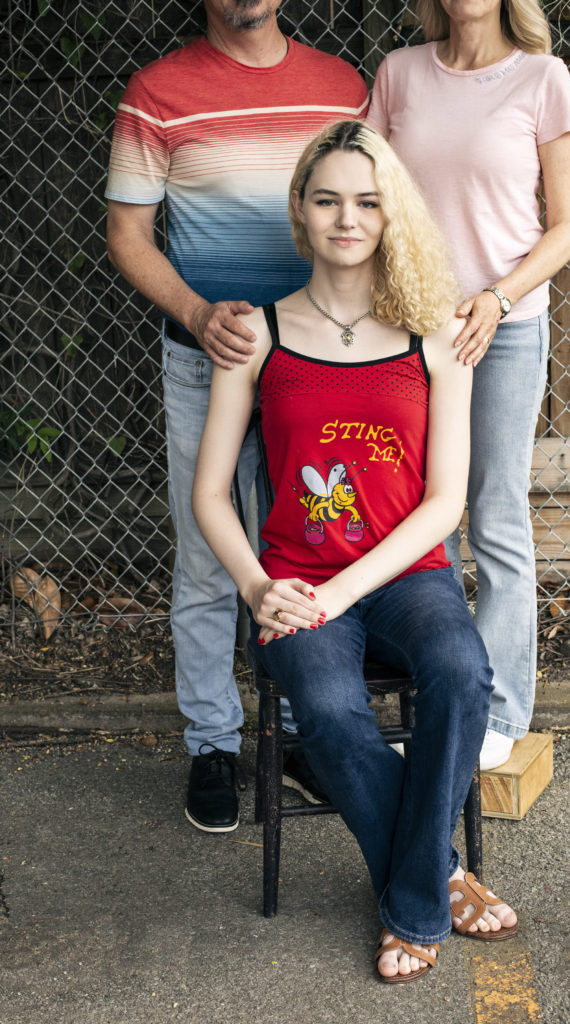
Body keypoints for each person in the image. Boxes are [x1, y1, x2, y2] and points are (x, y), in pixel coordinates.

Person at [192, 119, 518, 982]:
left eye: (368, 202)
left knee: (459, 673)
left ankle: (411, 897)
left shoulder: (434, 336)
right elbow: (208, 493)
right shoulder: (256, 335)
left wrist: (341, 594)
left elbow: (443, 502)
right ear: (300, 211)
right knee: (330, 715)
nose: (347, 218)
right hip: (293, 584)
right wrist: (261, 587)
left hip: (407, 576)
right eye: (328, 198)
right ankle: (437, 878)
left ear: (390, 216)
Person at [105, 0, 369, 831]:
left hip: (316, 367)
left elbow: (371, 214)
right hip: (205, 357)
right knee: (208, 556)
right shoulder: (158, 93)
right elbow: (127, 232)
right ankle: (213, 743)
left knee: (314, 544)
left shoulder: (341, 87)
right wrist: (193, 311)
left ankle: (297, 733)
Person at [367, 0, 570, 770]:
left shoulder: (542, 78)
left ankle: (499, 712)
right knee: (408, 513)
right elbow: (367, 201)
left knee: (492, 512)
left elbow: (566, 227)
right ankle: (425, 696)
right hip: (405, 330)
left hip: (504, 328)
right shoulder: (397, 75)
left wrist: (495, 296)